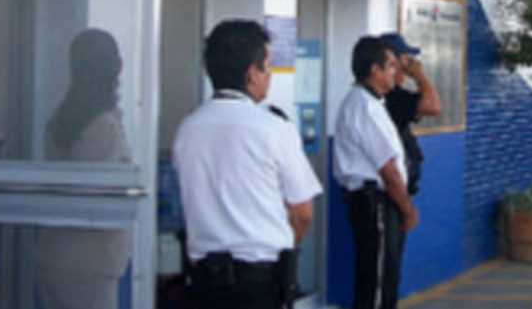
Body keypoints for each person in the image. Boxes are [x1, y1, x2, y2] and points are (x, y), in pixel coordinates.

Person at [173, 20, 322, 309]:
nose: (270, 75)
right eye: (268, 66)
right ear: (252, 74)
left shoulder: (187, 130)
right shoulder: (274, 129)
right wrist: (284, 250)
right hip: (258, 283)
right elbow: (302, 213)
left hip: (203, 283)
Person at [35, 29, 132, 309]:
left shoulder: (59, 121)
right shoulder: (103, 127)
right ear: (118, 67)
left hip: (54, 254)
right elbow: (97, 198)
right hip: (91, 263)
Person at [334, 36, 418, 309]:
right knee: (379, 282)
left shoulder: (371, 103)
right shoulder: (365, 107)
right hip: (376, 204)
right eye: (391, 66)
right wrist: (407, 209)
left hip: (376, 203)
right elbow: (389, 172)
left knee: (381, 275)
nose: (396, 71)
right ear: (375, 70)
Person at [380, 32, 442, 196]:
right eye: (405, 60)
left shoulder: (390, 94)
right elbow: (433, 106)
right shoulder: (390, 97)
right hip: (391, 192)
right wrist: (419, 75)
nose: (409, 65)